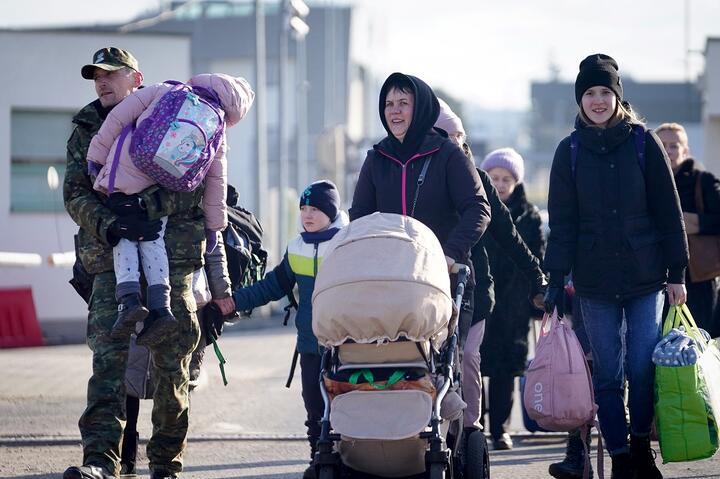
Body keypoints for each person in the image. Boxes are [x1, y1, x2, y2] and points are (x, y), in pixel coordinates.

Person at [63, 47, 211, 479]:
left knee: (172, 368)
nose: (102, 82)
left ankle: (165, 463)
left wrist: (142, 206)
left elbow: (191, 183)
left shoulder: (171, 114)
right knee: (106, 364)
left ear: (137, 79)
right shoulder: (87, 127)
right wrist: (111, 223)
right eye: (96, 76)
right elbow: (74, 192)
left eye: (112, 74)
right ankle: (100, 461)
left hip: (172, 260)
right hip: (111, 261)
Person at [543, 54, 689, 479]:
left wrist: (677, 272)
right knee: (607, 375)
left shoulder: (644, 143)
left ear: (617, 96)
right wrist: (555, 280)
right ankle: (622, 456)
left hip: (646, 278)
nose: (598, 100)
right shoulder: (568, 152)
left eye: (605, 91)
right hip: (594, 282)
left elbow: (669, 211)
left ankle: (642, 447)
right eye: (589, 93)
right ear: (580, 100)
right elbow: (562, 223)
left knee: (642, 369)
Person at [350, 73, 491, 444]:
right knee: (384, 360)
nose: (394, 111)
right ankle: (381, 433)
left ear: (421, 108)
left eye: (403, 103)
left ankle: (447, 432)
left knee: (438, 364)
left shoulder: (446, 154)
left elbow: (478, 208)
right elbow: (360, 218)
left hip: (442, 280)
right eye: (388, 104)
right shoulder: (376, 158)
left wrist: (450, 253)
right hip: (389, 281)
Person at [86, 73, 254, 345]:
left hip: (125, 174)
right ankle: (161, 306)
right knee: (154, 240)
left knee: (125, 237)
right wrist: (214, 227)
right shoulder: (217, 129)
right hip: (163, 189)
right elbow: (216, 185)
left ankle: (128, 299)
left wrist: (95, 156)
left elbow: (118, 118)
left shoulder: (167, 90)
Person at [433, 100, 546, 451]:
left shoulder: (477, 179)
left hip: (475, 291)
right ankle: (434, 425)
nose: (453, 141)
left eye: (459, 135)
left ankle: (472, 430)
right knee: (435, 362)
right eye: (445, 134)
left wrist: (537, 277)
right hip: (428, 288)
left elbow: (510, 236)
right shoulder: (425, 176)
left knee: (468, 358)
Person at [232, 180, 349, 479]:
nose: (307, 215)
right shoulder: (296, 247)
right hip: (310, 344)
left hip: (346, 344)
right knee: (313, 406)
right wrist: (231, 302)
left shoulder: (349, 242)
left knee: (345, 407)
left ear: (332, 212)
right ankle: (319, 459)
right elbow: (273, 285)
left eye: (315, 209)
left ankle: (349, 461)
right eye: (303, 209)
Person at [479, 148, 545, 450]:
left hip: (514, 304)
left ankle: (500, 430)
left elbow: (538, 258)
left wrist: (536, 294)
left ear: (517, 182)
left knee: (506, 370)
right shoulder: (476, 208)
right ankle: (474, 426)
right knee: (473, 367)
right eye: (494, 178)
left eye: (506, 179)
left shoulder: (529, 216)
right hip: (481, 297)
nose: (500, 184)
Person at [656, 122, 720, 338]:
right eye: (662, 145)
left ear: (686, 150)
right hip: (657, 277)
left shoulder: (704, 181)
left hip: (699, 276)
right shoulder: (646, 183)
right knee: (661, 342)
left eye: (674, 145)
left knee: (701, 339)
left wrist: (690, 222)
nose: (668, 151)